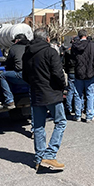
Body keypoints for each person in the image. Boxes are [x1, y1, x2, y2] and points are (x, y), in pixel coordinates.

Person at [22, 28, 67, 171]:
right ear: (47, 38)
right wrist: (63, 86)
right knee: (60, 122)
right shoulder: (50, 52)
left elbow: (24, 76)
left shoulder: (27, 53)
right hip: (52, 93)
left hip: (36, 92)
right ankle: (50, 154)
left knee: (38, 126)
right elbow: (58, 73)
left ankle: (39, 158)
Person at [71, 29, 94, 122]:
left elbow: (73, 58)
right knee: (90, 94)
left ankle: (77, 115)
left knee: (78, 94)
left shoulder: (75, 46)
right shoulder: (92, 45)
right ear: (86, 35)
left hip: (78, 72)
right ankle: (89, 114)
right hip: (90, 72)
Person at [0, 33, 30, 109]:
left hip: (21, 75)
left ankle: (9, 100)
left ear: (17, 40)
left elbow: (9, 63)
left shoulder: (14, 48)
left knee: (3, 75)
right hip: (33, 75)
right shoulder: (31, 47)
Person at [63, 37, 78, 115]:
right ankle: (78, 108)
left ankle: (68, 108)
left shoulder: (67, 50)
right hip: (78, 71)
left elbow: (64, 62)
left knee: (70, 90)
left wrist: (66, 69)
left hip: (70, 71)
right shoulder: (79, 50)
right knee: (78, 91)